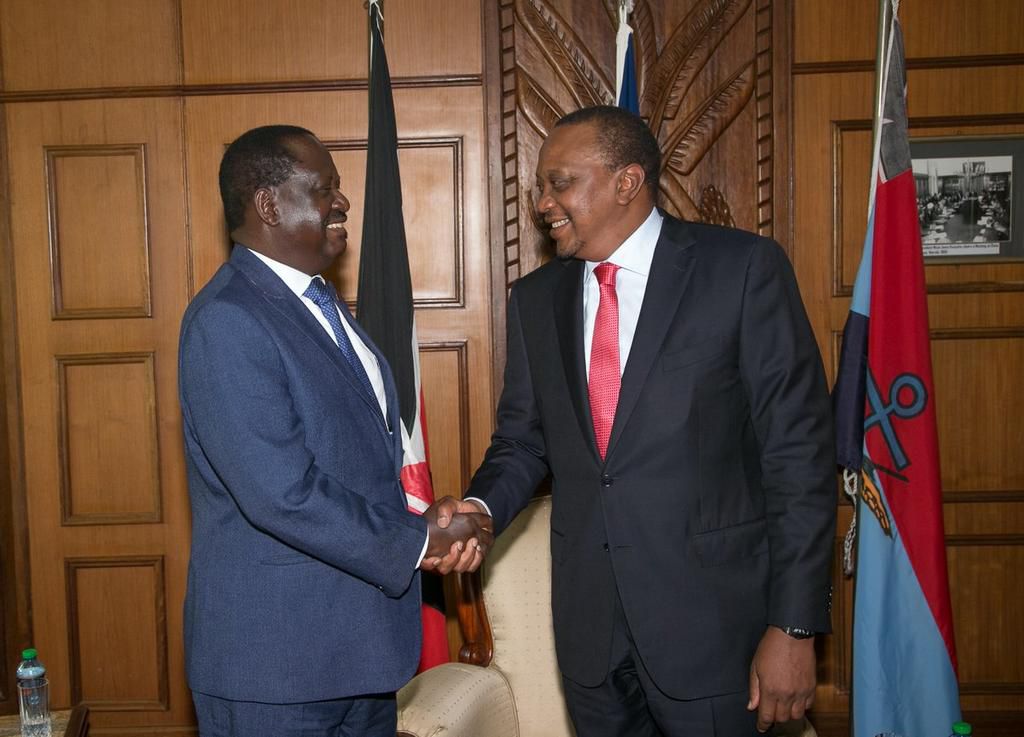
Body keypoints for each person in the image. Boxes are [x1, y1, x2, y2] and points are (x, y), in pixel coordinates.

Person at [458, 106, 836, 736]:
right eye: (540, 187)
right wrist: (479, 509)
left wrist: (794, 626)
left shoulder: (741, 271)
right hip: (590, 636)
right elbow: (522, 441)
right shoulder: (537, 300)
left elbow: (798, 458)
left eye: (560, 182)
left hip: (716, 633)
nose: (543, 202)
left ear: (627, 182)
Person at [178, 124, 492, 737]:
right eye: (325, 189)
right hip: (276, 669)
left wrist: (428, 523)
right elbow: (281, 493)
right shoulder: (228, 320)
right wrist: (419, 538)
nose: (343, 203)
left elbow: (361, 464)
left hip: (361, 656)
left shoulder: (321, 308)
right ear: (269, 204)